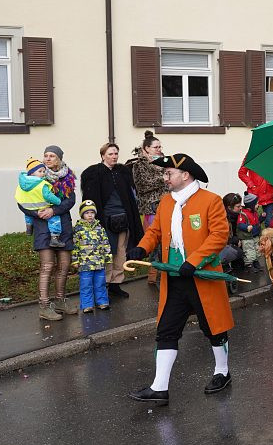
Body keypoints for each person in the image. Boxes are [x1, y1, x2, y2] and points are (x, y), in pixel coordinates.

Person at [127, 153, 234, 403]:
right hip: (173, 278)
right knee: (166, 330)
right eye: (164, 174)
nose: (164, 178)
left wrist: (194, 261)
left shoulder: (210, 200)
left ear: (185, 175)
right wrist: (142, 248)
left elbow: (219, 236)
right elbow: (155, 231)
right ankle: (159, 387)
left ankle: (222, 371)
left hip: (201, 277)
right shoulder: (166, 202)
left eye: (168, 174)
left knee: (213, 329)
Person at [18, 146, 77, 321]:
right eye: (46, 155)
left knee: (65, 265)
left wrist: (54, 210)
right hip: (42, 227)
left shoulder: (67, 177)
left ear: (59, 159)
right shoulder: (33, 176)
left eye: (52, 156)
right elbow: (21, 202)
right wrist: (37, 213)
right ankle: (44, 306)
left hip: (63, 226)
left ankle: (60, 300)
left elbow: (70, 201)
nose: (48, 159)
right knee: (47, 266)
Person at [81, 142, 143, 300]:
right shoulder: (94, 173)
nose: (114, 156)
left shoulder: (122, 172)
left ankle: (116, 284)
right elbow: (90, 199)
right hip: (104, 220)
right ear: (102, 155)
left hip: (123, 219)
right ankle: (103, 285)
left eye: (116, 154)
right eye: (110, 154)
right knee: (106, 253)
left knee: (121, 252)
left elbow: (130, 198)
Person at [129, 131, 166, 286]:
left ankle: (164, 273)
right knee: (155, 241)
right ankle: (153, 275)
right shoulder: (139, 165)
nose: (158, 149)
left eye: (160, 146)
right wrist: (163, 179)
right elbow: (142, 186)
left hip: (166, 204)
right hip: (150, 207)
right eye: (155, 147)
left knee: (167, 241)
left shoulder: (164, 161)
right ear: (146, 149)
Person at [71, 200, 112, 313]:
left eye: (92, 212)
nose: (90, 215)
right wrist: (75, 260)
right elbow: (75, 246)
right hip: (85, 264)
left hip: (99, 263)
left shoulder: (100, 228)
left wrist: (107, 257)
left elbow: (105, 243)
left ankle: (102, 302)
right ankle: (87, 305)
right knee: (86, 285)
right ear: (82, 214)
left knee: (100, 283)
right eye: (87, 213)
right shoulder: (78, 229)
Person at [15, 158, 64, 248]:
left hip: (28, 207)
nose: (43, 173)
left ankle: (29, 228)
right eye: (40, 171)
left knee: (28, 216)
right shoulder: (41, 183)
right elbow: (48, 196)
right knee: (54, 220)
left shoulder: (22, 183)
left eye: (43, 171)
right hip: (42, 207)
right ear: (32, 173)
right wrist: (58, 201)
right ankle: (54, 238)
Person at [238, 161, 273, 231]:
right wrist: (251, 184)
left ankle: (269, 240)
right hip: (255, 196)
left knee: (270, 223)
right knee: (254, 224)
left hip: (269, 195)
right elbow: (241, 173)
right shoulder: (252, 154)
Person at [235, 193, 263, 270]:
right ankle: (249, 265)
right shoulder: (243, 214)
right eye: (256, 204)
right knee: (249, 251)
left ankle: (255, 262)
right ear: (251, 205)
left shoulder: (254, 213)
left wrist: (262, 218)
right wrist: (246, 227)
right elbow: (240, 224)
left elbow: (257, 222)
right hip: (247, 237)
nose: (258, 205)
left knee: (257, 250)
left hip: (255, 236)